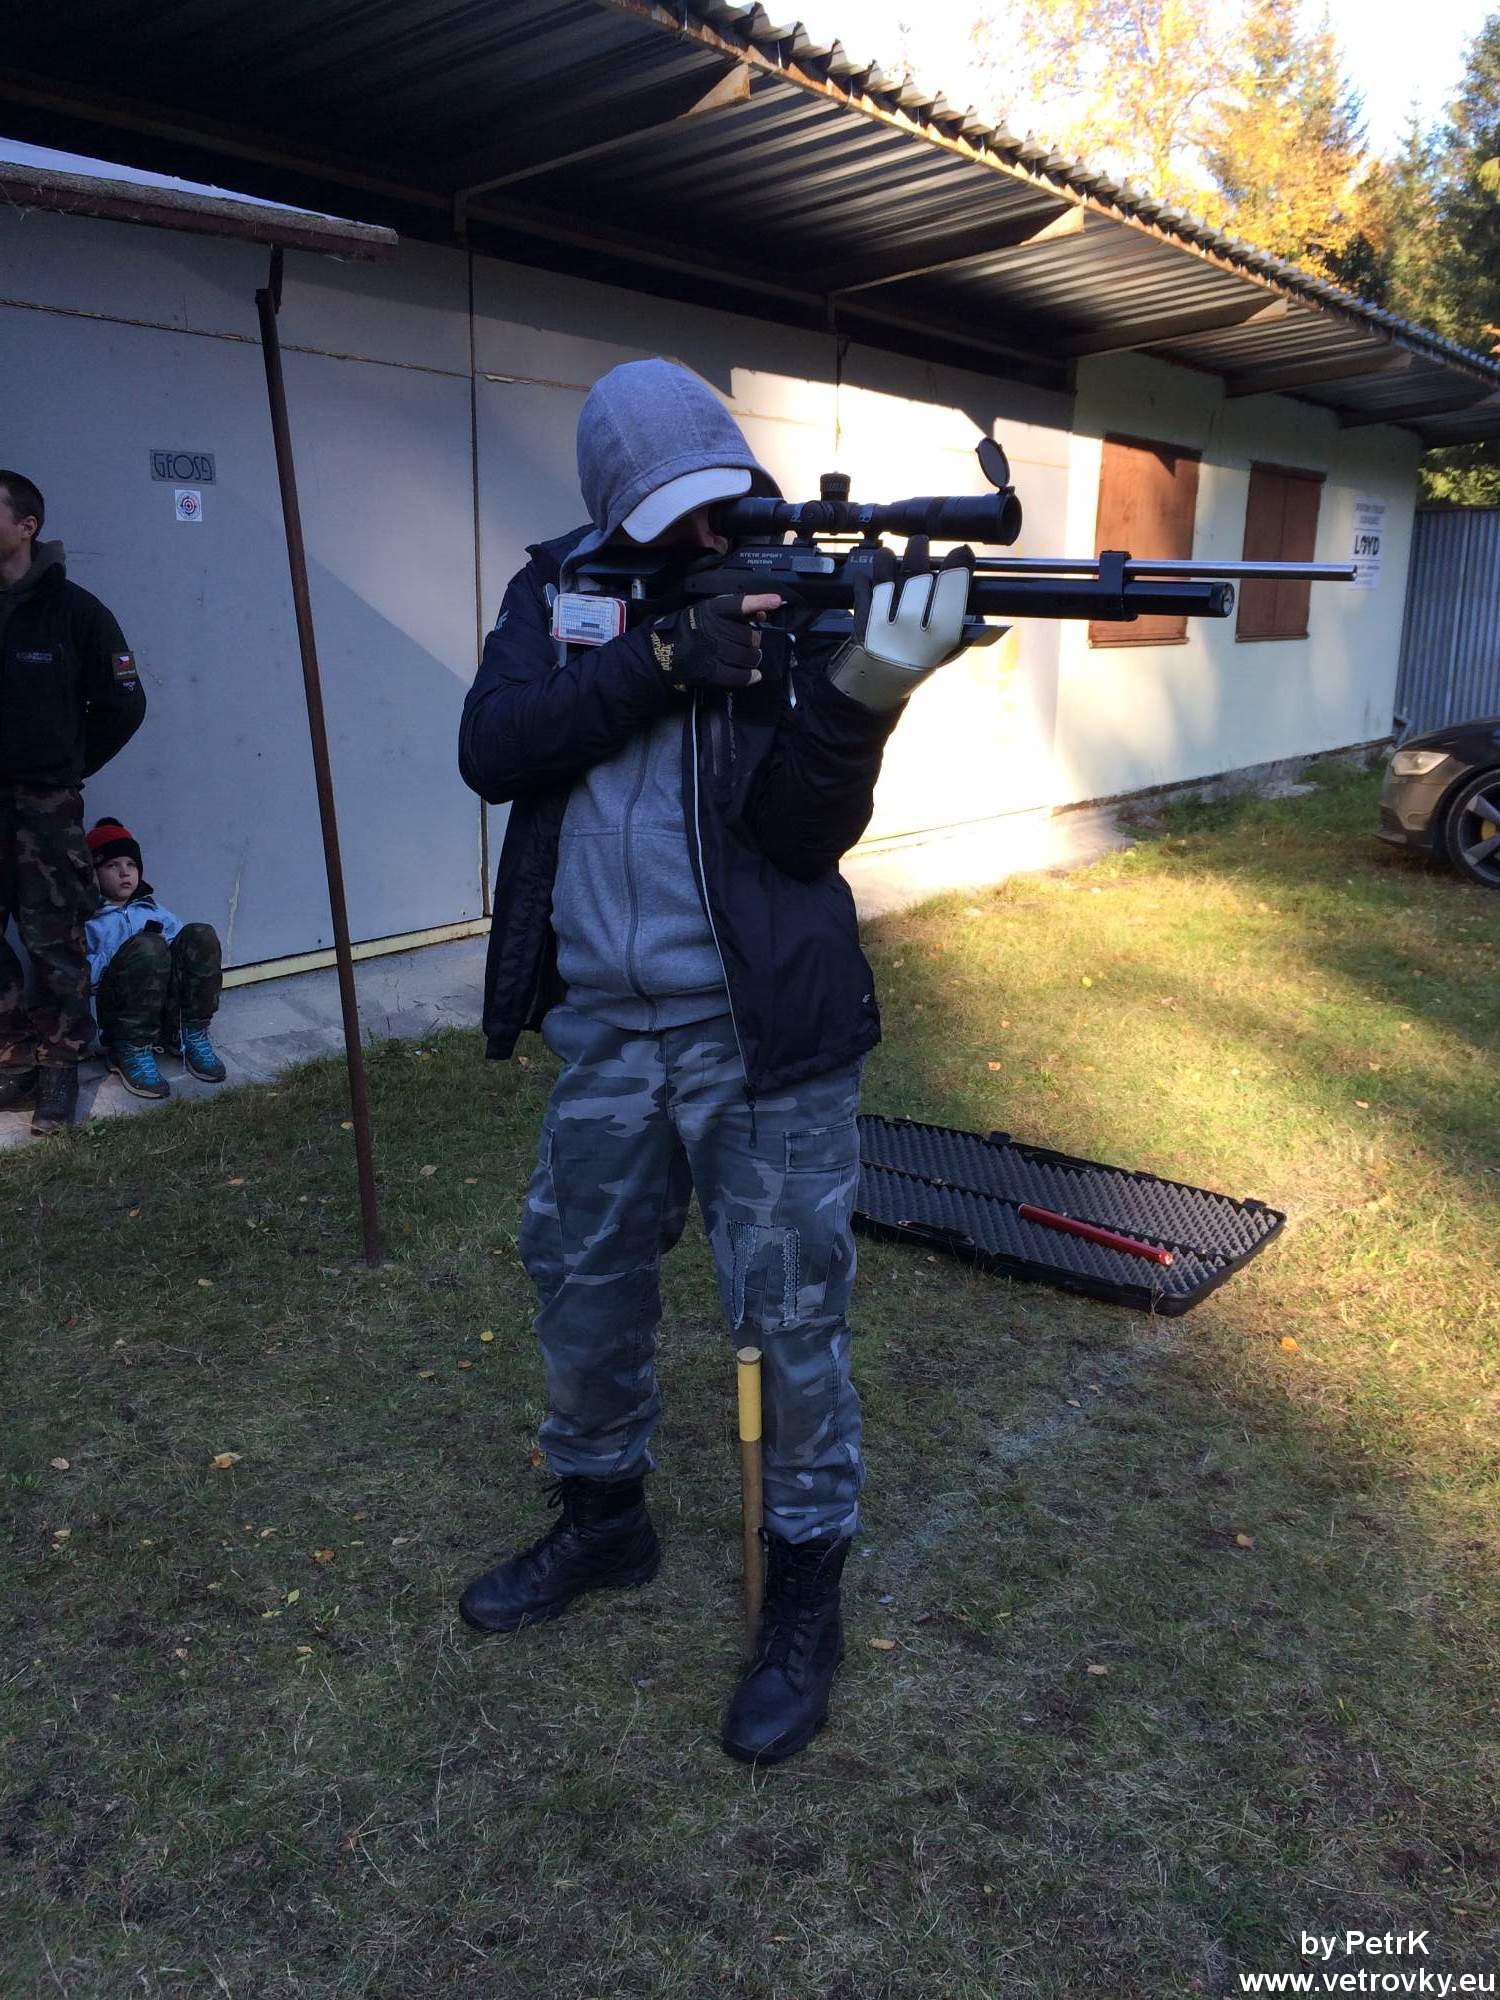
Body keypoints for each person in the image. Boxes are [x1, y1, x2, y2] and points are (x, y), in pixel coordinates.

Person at [457, 358, 975, 1765]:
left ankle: (801, 1589)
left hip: (762, 1038)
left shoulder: (786, 590)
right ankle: (600, 1521)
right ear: (613, 510)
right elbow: (493, 748)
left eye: (722, 502)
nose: (708, 534)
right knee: (581, 1281)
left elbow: (801, 835)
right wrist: (660, 661)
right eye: (673, 515)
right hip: (607, 1029)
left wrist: (863, 693)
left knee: (786, 1317)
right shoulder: (558, 588)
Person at [0, 470, 146, 1136]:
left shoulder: (77, 613)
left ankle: (60, 1068)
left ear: (26, 526)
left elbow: (124, 704)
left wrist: (66, 766)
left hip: (45, 808)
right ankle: (12, 1056)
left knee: (54, 940)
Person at [85, 816, 227, 1098]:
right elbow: (82, 976)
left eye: (131, 864)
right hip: (120, 1013)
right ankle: (129, 1049)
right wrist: (124, 953)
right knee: (147, 947)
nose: (124, 873)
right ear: (93, 873)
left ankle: (188, 1032)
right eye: (112, 865)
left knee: (200, 934)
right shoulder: (89, 920)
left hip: (164, 1006)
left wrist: (164, 947)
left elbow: (184, 954)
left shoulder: (152, 909)